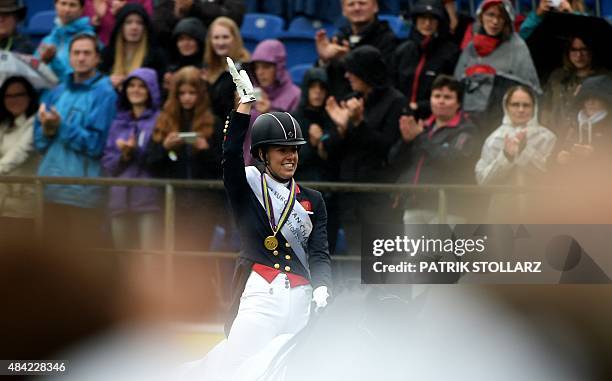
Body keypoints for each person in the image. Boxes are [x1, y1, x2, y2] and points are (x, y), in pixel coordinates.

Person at [182, 57, 331, 381]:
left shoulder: (313, 201)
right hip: (262, 295)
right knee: (233, 366)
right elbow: (230, 154)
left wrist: (322, 286)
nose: (291, 156)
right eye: (281, 150)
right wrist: (244, 108)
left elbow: (319, 252)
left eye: (294, 149)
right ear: (263, 154)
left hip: (303, 298)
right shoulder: (247, 186)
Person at [34, 33, 117, 247]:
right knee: (51, 264)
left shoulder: (105, 93)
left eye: (87, 53)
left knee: (81, 268)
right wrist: (47, 130)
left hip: (84, 194)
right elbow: (39, 143)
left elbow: (96, 145)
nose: (81, 58)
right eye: (76, 53)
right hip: (50, 188)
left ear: (97, 58)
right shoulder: (57, 92)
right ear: (69, 57)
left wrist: (61, 127)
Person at [322, 45, 405, 253]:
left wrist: (359, 124)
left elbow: (387, 147)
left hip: (378, 197)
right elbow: (331, 150)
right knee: (355, 261)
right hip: (350, 196)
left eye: (353, 70)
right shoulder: (349, 100)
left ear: (366, 72)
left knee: (380, 264)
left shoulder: (395, 101)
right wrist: (340, 130)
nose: (347, 75)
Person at [145, 66, 223, 251]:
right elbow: (150, 164)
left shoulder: (215, 123)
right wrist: (165, 148)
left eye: (192, 92)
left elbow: (224, 166)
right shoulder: (164, 121)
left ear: (201, 94)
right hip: (171, 204)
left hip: (203, 206)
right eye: (182, 93)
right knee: (173, 257)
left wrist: (205, 150)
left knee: (199, 257)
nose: (187, 97)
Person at [389, 74, 478, 224]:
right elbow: (394, 161)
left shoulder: (466, 130)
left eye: (447, 97)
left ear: (458, 103)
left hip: (449, 207)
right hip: (414, 204)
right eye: (437, 96)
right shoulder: (422, 127)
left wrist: (420, 138)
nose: (441, 101)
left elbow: (452, 159)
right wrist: (406, 141)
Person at [454, 0, 540, 138]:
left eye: (501, 17)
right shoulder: (471, 47)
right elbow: (457, 84)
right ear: (481, 16)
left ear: (507, 20)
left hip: (502, 125)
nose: (495, 21)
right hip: (468, 124)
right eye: (490, 15)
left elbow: (532, 90)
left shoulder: (517, 47)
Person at [475, 85, 556, 221]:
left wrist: (525, 152)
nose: (521, 110)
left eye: (526, 105)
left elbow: (552, 176)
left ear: (534, 107)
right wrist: (506, 157)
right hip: (502, 218)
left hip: (540, 216)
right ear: (506, 107)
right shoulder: (494, 139)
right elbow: (483, 181)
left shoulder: (547, 138)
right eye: (515, 104)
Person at [101, 68, 161, 250]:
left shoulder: (160, 119)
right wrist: (124, 157)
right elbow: (107, 162)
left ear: (151, 90)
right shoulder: (118, 122)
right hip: (119, 200)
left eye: (142, 86)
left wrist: (135, 152)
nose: (135, 90)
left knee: (148, 260)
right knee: (123, 261)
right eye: (132, 85)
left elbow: (159, 159)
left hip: (149, 200)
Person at [390, 0, 459, 120]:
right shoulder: (402, 50)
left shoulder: (451, 53)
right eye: (423, 18)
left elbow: (453, 90)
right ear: (415, 21)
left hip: (434, 118)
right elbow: (391, 84)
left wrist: (420, 107)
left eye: (432, 19)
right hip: (399, 115)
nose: (427, 24)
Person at [315, 0, 398, 98]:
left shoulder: (387, 39)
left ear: (375, 7)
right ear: (343, 10)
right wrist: (324, 60)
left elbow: (382, 80)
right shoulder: (339, 38)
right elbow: (318, 84)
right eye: (351, 4)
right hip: (337, 106)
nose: (357, 8)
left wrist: (349, 60)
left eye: (362, 3)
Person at [243, 39, 301, 164]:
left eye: (266, 66)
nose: (260, 72)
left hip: (281, 168)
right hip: (248, 169)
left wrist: (270, 112)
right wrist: (239, 111)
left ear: (278, 67)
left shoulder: (294, 95)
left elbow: (295, 137)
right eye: (257, 67)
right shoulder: (249, 94)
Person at [540, 35, 607, 135]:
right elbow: (546, 105)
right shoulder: (557, 75)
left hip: (583, 137)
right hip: (551, 134)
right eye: (574, 50)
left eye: (584, 50)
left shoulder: (604, 79)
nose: (579, 55)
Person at [99, 3, 166, 90]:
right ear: (121, 27)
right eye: (128, 22)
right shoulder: (108, 53)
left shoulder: (156, 56)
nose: (134, 27)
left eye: (139, 23)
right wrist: (108, 81)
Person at [0, 76, 40, 223]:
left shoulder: (36, 122)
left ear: (29, 96)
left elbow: (19, 152)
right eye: (8, 96)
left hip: (24, 206)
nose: (13, 99)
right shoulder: (4, 124)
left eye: (19, 94)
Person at [556, 75, 612, 169]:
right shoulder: (571, 124)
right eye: (587, 98)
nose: (591, 102)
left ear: (606, 100)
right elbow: (550, 163)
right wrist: (559, 159)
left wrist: (595, 155)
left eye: (596, 98)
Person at [204, 16, 250, 120]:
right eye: (216, 38)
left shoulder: (245, 68)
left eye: (225, 37)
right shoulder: (207, 68)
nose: (220, 43)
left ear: (235, 39)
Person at [36, 0, 95, 81]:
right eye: (63, 3)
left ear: (82, 9)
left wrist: (53, 61)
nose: (67, 9)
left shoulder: (89, 40)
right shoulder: (47, 40)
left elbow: (78, 79)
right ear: (55, 5)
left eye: (72, 5)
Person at [152, 0, 245, 50]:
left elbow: (233, 19)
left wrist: (193, 7)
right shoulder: (167, 4)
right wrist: (178, 15)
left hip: (216, 54)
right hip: (176, 56)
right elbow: (159, 31)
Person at [84, 0, 153, 46]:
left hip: (136, 47)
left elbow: (147, 23)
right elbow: (83, 28)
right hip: (103, 49)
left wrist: (124, 11)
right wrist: (96, 21)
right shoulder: (94, 2)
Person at [519, 0, 586, 40]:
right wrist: (538, 15)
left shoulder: (580, 14)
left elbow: (588, 36)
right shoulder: (539, 14)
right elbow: (522, 37)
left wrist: (571, 14)